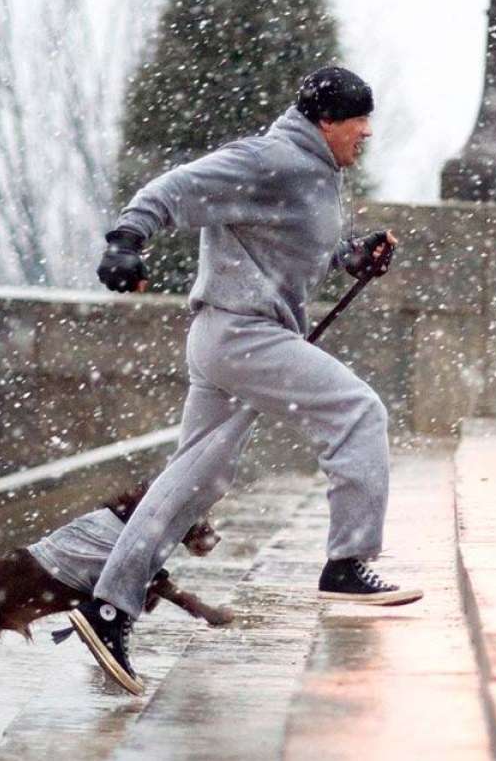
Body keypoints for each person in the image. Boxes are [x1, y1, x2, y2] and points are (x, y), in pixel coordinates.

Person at [68, 66, 423, 695]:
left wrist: (353, 256)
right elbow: (175, 188)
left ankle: (109, 607)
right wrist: (126, 239)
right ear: (326, 121)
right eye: (359, 120)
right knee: (359, 412)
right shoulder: (269, 159)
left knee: (195, 477)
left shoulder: (317, 172)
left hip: (235, 336)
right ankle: (347, 563)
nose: (367, 132)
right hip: (242, 333)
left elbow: (297, 247)